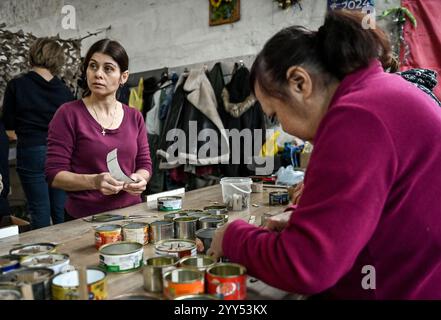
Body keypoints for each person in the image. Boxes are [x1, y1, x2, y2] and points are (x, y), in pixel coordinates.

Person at [207, 10, 441, 299]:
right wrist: (302, 219)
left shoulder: (357, 116)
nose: (286, 129)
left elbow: (307, 266)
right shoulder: (381, 92)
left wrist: (232, 236)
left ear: (299, 82)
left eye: (276, 114)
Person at [45, 39, 152, 220]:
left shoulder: (134, 117)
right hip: (84, 218)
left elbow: (144, 164)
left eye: (108, 68)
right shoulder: (68, 114)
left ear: (123, 77)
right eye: (93, 66)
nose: (98, 74)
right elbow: (54, 174)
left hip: (132, 216)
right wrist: (95, 182)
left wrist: (140, 179)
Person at [2, 38, 74, 229]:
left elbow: (8, 128)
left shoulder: (17, 85)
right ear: (58, 59)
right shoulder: (64, 91)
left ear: (33, 54)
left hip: (31, 150)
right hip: (60, 153)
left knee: (39, 210)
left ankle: (44, 256)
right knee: (60, 209)